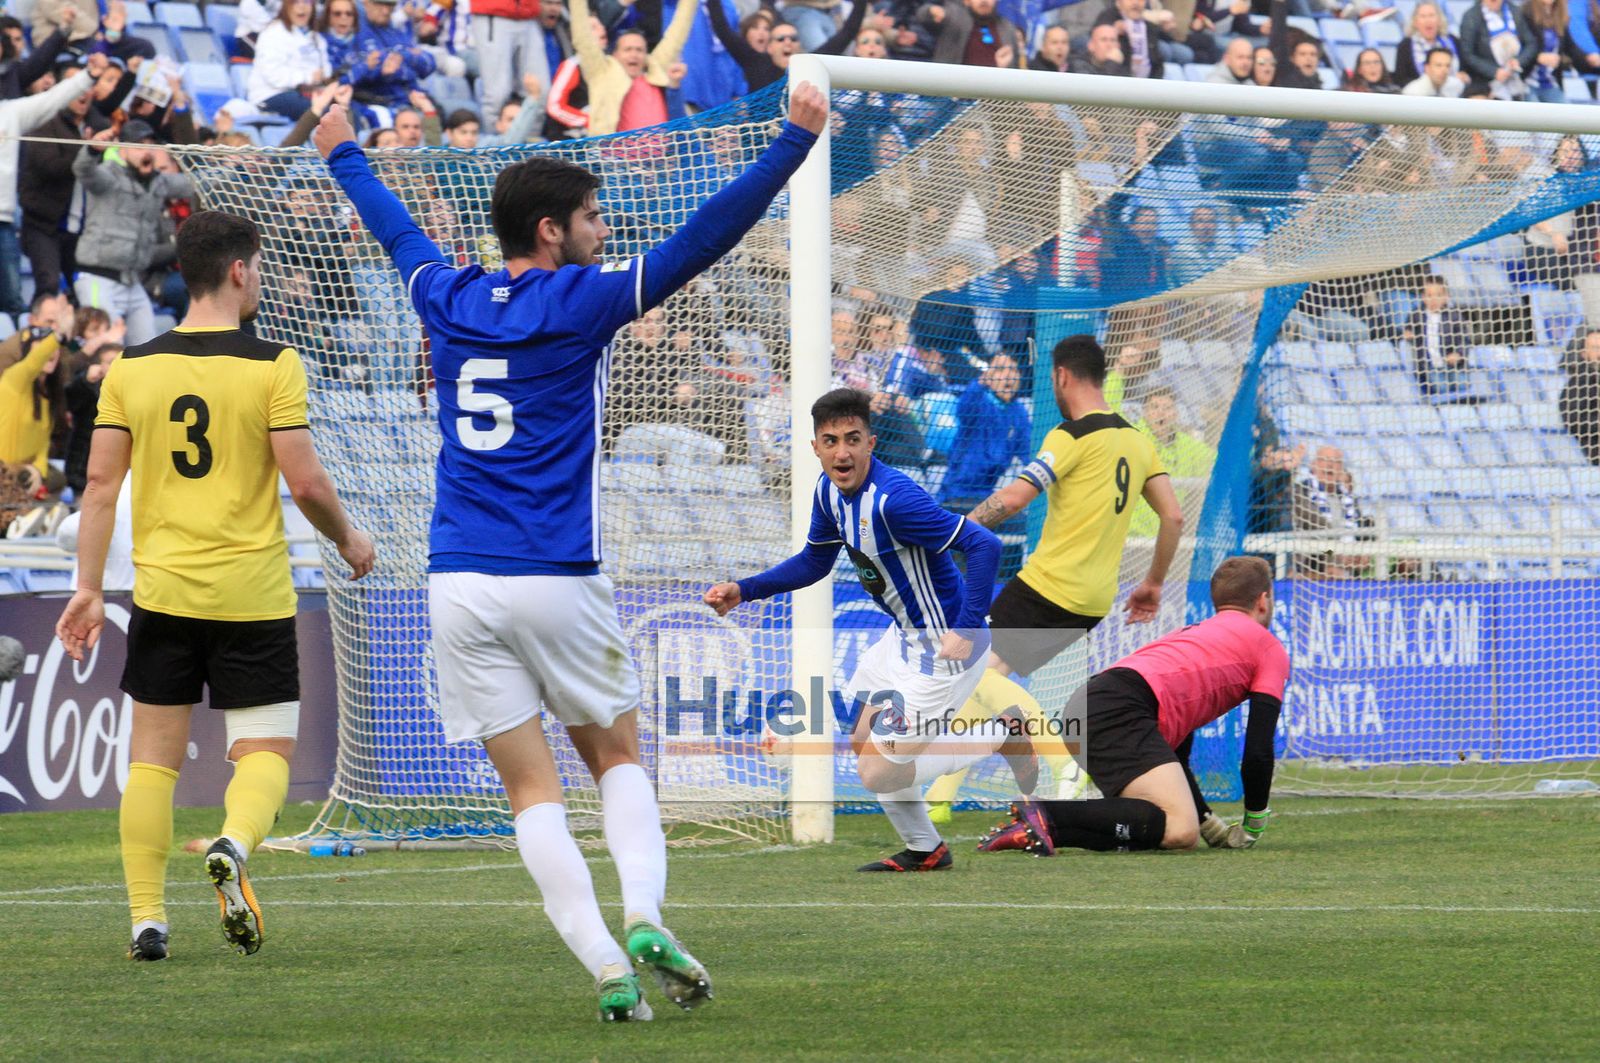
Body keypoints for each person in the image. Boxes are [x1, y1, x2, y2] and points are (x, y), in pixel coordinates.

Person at [313, 81, 826, 1019]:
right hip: (556, 572)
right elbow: (700, 242)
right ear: (549, 230)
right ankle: (642, 912)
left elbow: (393, 231)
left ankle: (605, 967)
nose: (603, 227)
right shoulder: (582, 299)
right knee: (618, 757)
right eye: (591, 214)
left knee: (528, 790)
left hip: (458, 579)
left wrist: (344, 151)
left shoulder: (448, 291)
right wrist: (792, 144)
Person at [54, 211, 376, 963]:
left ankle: (146, 920)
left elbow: (99, 486)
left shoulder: (133, 367)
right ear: (239, 271)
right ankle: (232, 842)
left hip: (162, 595)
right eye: (257, 266)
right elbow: (306, 481)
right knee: (262, 750)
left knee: (151, 762)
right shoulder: (273, 363)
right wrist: (350, 537)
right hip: (252, 595)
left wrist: (89, 587)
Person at [706, 388, 1035, 874]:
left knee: (877, 773)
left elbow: (982, 543)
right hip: (901, 639)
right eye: (831, 440)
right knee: (865, 742)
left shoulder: (894, 501)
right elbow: (815, 561)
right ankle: (927, 849)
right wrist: (746, 589)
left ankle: (1001, 734)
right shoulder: (827, 491)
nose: (843, 452)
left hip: (945, 649)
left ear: (871, 442)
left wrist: (966, 627)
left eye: (853, 439)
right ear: (815, 447)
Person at [922, 334, 1182, 818]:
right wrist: (1153, 583)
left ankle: (1063, 762)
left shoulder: (1070, 435)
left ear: (1062, 376)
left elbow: (1015, 499)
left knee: (974, 669)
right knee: (987, 676)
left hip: (1050, 584)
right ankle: (939, 796)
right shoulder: (1137, 440)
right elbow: (1173, 518)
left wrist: (951, 531)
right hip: (1095, 599)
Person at [977, 556, 1287, 856]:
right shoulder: (1268, 647)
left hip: (1090, 702)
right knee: (1181, 830)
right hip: (1121, 708)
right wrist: (1254, 823)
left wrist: (1205, 819)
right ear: (1263, 600)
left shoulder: (1195, 635)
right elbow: (1258, 750)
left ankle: (1038, 829)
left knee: (1154, 820)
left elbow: (1174, 752)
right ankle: (1045, 812)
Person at [72, 120, 193, 347]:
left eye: (150, 146)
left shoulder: (158, 182)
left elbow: (193, 184)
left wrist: (234, 172)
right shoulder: (109, 177)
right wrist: (91, 150)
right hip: (99, 279)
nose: (146, 151)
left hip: (132, 281)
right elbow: (83, 170)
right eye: (139, 145)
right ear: (122, 149)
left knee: (146, 350)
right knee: (104, 347)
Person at [0, 55, 102, 317]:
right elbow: (50, 167)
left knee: (12, 300)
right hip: (41, 223)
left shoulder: (10, 112)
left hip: (5, 221)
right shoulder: (46, 125)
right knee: (46, 286)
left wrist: (88, 76)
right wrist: (85, 151)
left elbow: (52, 99)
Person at [569, 0, 697, 135]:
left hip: (660, 156)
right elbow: (581, 38)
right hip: (611, 155)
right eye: (628, 49)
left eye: (639, 50)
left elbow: (678, 32)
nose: (634, 55)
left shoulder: (655, 68)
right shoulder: (601, 72)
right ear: (615, 54)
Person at [706, 0, 866, 91]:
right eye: (780, 39)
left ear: (799, 46)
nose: (787, 42)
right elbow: (723, 30)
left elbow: (848, 32)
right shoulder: (755, 62)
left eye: (793, 38)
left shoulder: (810, 65)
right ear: (769, 48)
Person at [248, 0, 331, 120]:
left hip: (305, 93)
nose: (302, 6)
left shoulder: (317, 38)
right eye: (295, 2)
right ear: (286, 6)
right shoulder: (273, 33)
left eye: (307, 2)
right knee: (325, 113)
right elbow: (274, 76)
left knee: (345, 110)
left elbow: (325, 69)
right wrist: (308, 77)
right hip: (271, 95)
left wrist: (320, 77)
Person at [1401, 274, 1472, 400]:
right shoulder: (1417, 315)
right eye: (1429, 295)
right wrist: (1408, 333)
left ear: (1446, 297)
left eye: (1438, 295)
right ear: (1423, 297)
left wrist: (1458, 354)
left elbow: (1464, 340)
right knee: (1441, 388)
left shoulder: (1454, 316)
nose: (1433, 300)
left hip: (1451, 364)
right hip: (1429, 366)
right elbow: (1407, 329)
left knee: (1462, 386)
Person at [1460, 0, 1536, 99]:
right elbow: (1467, 53)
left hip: (1518, 78)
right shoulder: (1471, 16)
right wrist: (1493, 71)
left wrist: (1519, 60)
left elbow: (1530, 43)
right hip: (1484, 82)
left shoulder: (1515, 11)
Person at [923, 0, 1027, 68]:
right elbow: (923, 17)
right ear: (967, 1)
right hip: (953, 94)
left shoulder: (1008, 28)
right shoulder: (953, 18)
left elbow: (1016, 68)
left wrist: (1004, 67)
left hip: (991, 95)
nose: (984, 1)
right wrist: (930, 11)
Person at [1394, 0, 1466, 85]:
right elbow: (1401, 79)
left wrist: (1462, 77)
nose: (1428, 20)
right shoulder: (1405, 45)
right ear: (1415, 22)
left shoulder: (1453, 41)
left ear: (1439, 20)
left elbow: (1464, 70)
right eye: (1423, 16)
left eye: (1431, 15)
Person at [1560, 328, 1600, 464]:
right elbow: (1574, 420)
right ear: (1583, 353)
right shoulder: (1580, 383)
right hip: (1592, 448)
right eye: (1596, 348)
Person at [1402, 43, 1467, 94]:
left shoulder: (1457, 86)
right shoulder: (1412, 92)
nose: (1444, 70)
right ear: (1427, 68)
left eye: (1448, 66)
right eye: (1438, 65)